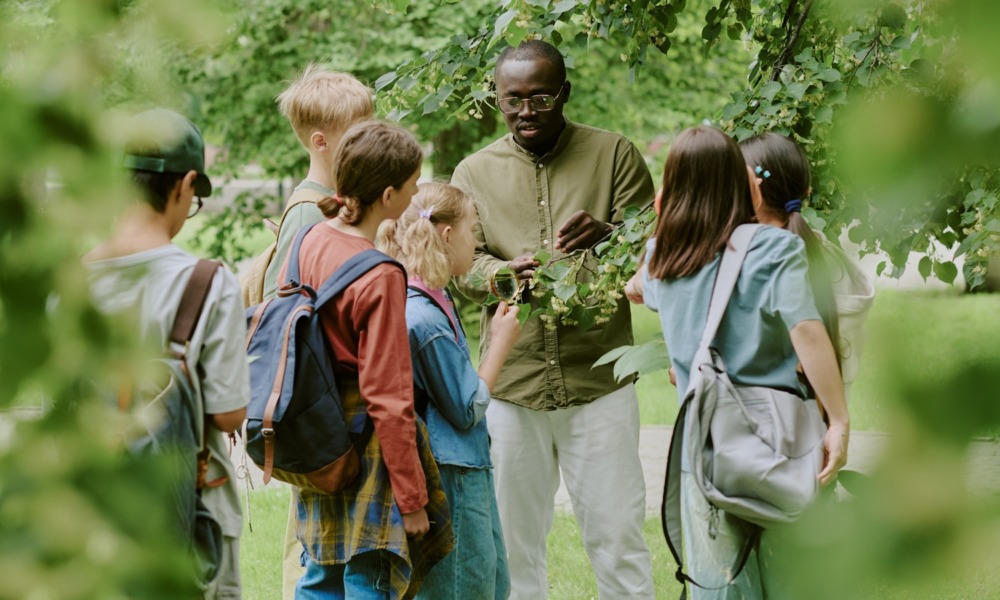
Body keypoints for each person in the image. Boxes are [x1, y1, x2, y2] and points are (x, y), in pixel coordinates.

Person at [451, 39, 655, 599]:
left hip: (599, 384)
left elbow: (650, 256)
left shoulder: (614, 155)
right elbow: (457, 266)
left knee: (617, 539)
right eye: (511, 100)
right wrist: (499, 274)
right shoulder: (472, 172)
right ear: (497, 99)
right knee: (514, 550)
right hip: (512, 388)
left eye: (540, 99)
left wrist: (610, 237)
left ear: (564, 93)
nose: (525, 112)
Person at [625, 126, 850, 599]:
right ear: (741, 180)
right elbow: (807, 330)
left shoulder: (660, 257)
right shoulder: (773, 248)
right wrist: (840, 418)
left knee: (720, 586)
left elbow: (635, 287)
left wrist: (672, 199)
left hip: (703, 446)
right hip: (778, 438)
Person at [84, 108, 250, 599]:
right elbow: (227, 414)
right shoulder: (207, 284)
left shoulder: (68, 284)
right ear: (186, 184)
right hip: (191, 517)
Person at [285, 120, 452, 599]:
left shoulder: (310, 239)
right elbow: (389, 396)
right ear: (387, 194)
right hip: (367, 447)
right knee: (371, 576)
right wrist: (412, 498)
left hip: (317, 430)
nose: (418, 191)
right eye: (413, 183)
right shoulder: (380, 274)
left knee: (321, 574)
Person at [378, 182, 522, 599]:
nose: (475, 242)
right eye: (472, 230)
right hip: (452, 474)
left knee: (492, 581)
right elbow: (466, 406)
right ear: (446, 235)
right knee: (465, 585)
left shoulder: (430, 296)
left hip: (465, 466)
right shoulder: (423, 318)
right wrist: (501, 341)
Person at [738, 132, 874, 402]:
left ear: (755, 190)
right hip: (821, 420)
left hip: (765, 423)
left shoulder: (756, 261)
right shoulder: (826, 254)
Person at [240, 64, 374, 307]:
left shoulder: (342, 197)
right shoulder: (308, 212)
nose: (370, 140)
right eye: (358, 134)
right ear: (321, 142)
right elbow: (279, 309)